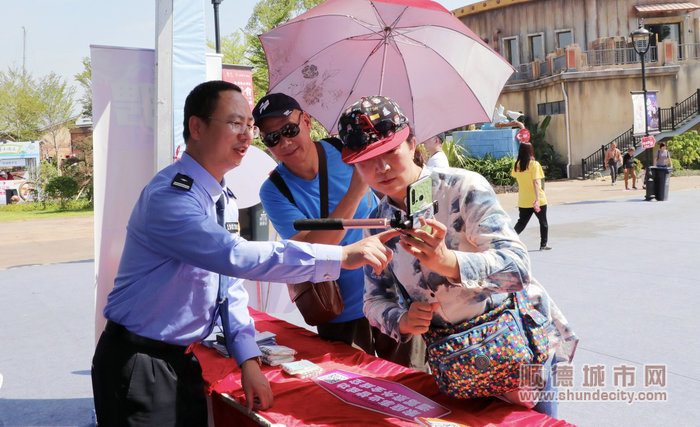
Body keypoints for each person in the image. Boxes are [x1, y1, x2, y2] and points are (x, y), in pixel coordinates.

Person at [91, 81, 399, 427]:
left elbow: (228, 286)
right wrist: (341, 257)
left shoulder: (222, 198)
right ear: (197, 127)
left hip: (182, 360)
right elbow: (237, 257)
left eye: (248, 127)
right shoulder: (172, 198)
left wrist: (248, 360)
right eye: (235, 124)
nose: (247, 137)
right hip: (141, 361)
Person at [338, 95, 576, 417]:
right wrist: (403, 320)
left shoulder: (463, 188)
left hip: (517, 349)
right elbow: (373, 300)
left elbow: (518, 267)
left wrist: (449, 263)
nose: (380, 167)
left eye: (390, 151)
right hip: (457, 365)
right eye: (367, 158)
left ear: (411, 142)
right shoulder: (377, 224)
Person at [254, 93, 426, 370]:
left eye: (289, 130)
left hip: (394, 292)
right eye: (272, 138)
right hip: (339, 308)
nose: (284, 142)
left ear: (306, 121)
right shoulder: (274, 190)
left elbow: (401, 196)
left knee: (413, 381)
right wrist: (355, 191)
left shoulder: (346, 150)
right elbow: (312, 253)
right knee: (354, 389)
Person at [511, 142, 551, 251]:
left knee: (521, 223)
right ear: (531, 151)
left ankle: (509, 240)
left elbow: (517, 177)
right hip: (537, 200)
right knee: (543, 222)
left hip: (523, 200)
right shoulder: (534, 164)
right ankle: (543, 245)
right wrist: (537, 200)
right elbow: (536, 183)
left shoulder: (516, 165)